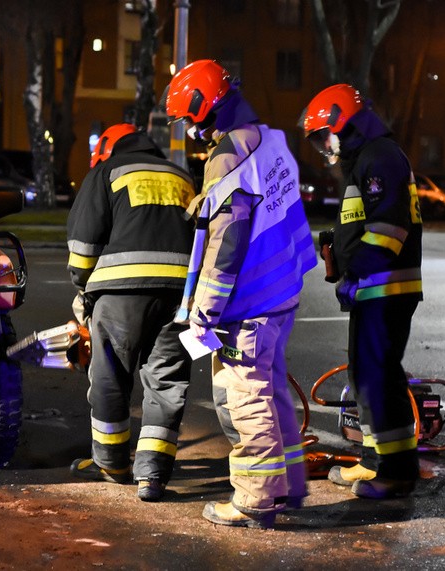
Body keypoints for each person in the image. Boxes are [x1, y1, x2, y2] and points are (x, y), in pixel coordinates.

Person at [165, 59, 317, 528]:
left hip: (247, 305)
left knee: (245, 397)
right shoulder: (271, 142)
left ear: (203, 107)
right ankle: (287, 488)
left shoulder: (228, 156)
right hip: (282, 294)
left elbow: (225, 243)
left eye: (190, 119)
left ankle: (254, 499)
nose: (190, 129)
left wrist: (204, 313)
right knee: (271, 394)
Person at [300, 84, 423, 499]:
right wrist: (343, 249)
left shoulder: (379, 157)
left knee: (378, 378)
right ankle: (375, 463)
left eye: (324, 135)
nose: (324, 146)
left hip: (385, 287)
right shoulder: (367, 159)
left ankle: (396, 472)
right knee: (366, 377)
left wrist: (357, 273)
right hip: (375, 288)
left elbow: (389, 228)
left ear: (343, 123)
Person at [66, 123, 195, 502]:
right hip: (180, 295)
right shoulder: (181, 175)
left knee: (110, 374)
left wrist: (82, 285)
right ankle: (152, 476)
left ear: (106, 149)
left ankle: (112, 463)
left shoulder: (107, 171)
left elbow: (83, 244)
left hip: (121, 294)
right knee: (167, 383)